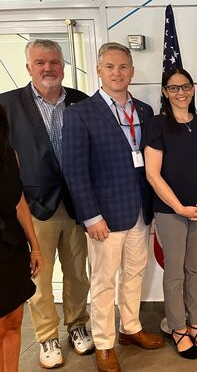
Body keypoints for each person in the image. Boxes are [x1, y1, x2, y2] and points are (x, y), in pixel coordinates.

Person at [62, 42, 163, 372]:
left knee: (135, 273)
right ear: (99, 70)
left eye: (123, 67)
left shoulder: (145, 111)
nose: (117, 73)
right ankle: (104, 343)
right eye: (110, 67)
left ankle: (130, 328)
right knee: (104, 281)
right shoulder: (80, 113)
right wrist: (91, 216)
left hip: (139, 210)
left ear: (132, 71)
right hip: (104, 216)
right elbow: (75, 170)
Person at [0, 39, 92, 369]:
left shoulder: (81, 102)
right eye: (40, 62)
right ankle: (47, 335)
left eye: (53, 61)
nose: (47, 68)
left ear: (63, 66)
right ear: (28, 67)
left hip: (78, 204)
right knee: (40, 278)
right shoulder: (6, 106)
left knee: (78, 273)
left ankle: (78, 325)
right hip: (35, 207)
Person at [144, 68, 197, 359]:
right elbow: (152, 174)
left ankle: (195, 325)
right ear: (164, 92)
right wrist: (178, 207)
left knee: (194, 269)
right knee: (174, 272)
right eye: (173, 88)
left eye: (185, 86)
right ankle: (177, 328)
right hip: (170, 212)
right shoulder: (157, 125)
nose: (180, 92)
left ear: (193, 88)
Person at [0, 105, 43, 372]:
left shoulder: (10, 155)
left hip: (13, 246)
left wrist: (35, 246)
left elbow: (19, 204)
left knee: (14, 321)